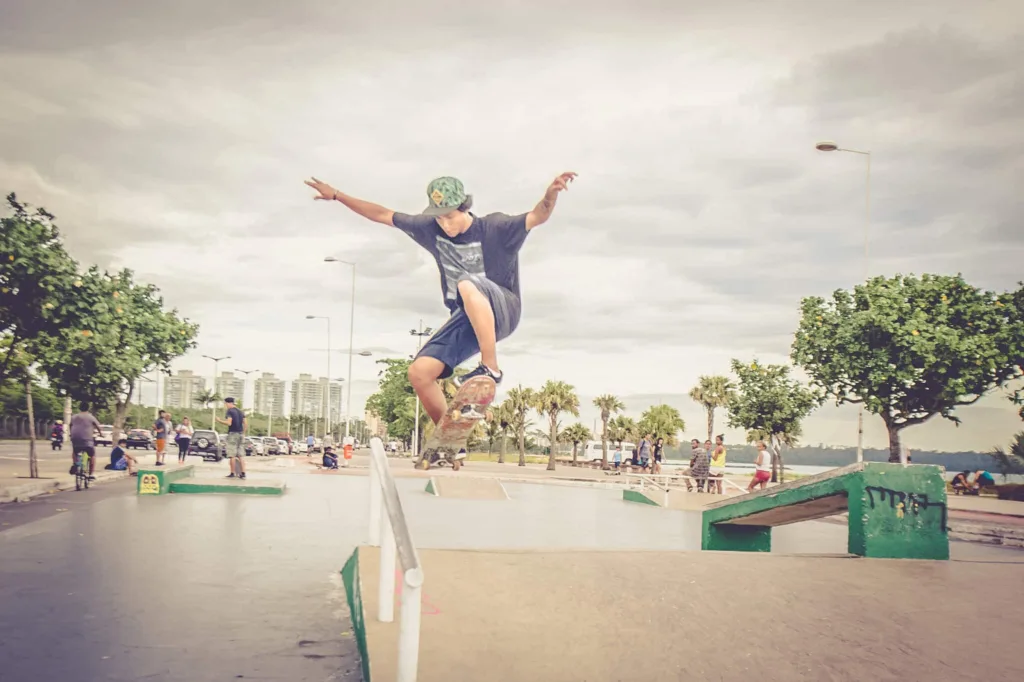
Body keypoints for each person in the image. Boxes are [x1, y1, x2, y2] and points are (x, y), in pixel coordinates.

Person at [305, 172, 576, 429]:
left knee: (467, 284)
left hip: (503, 309)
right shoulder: (428, 228)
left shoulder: (497, 228)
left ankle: (490, 369)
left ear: (464, 207)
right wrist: (338, 195)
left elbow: (538, 216)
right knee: (420, 373)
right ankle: (448, 440)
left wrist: (551, 195)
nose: (445, 225)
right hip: (467, 317)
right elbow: (382, 214)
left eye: (449, 217)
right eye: (439, 219)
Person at [68, 402, 102, 479]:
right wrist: (101, 434)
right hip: (87, 439)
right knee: (92, 455)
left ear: (79, 408)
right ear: (88, 408)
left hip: (75, 438)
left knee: (75, 451)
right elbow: (98, 426)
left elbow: (70, 425)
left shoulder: (74, 417)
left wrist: (71, 434)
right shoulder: (91, 417)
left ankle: (75, 464)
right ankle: (91, 474)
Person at [215, 398, 247, 479]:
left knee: (232, 455)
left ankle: (232, 473)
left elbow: (229, 423)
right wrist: (243, 432)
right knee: (240, 455)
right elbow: (245, 423)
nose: (225, 406)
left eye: (225, 404)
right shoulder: (241, 411)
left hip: (233, 434)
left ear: (228, 403)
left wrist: (219, 420)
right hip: (240, 434)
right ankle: (243, 473)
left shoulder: (230, 411)